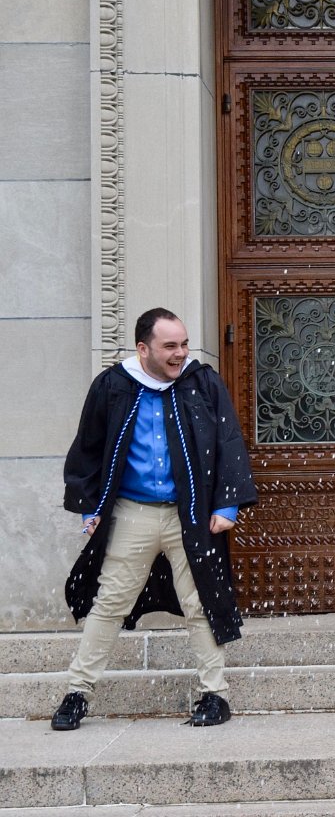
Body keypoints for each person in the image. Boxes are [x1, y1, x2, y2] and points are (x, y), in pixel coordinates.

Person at [51, 308, 257, 730]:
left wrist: (227, 505)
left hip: (192, 512)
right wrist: (91, 507)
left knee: (200, 601)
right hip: (133, 513)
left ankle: (215, 694)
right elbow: (88, 447)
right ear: (143, 348)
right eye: (170, 346)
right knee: (110, 602)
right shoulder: (113, 386)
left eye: (184, 344)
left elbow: (228, 440)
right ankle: (77, 693)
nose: (181, 353)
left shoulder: (202, 382)